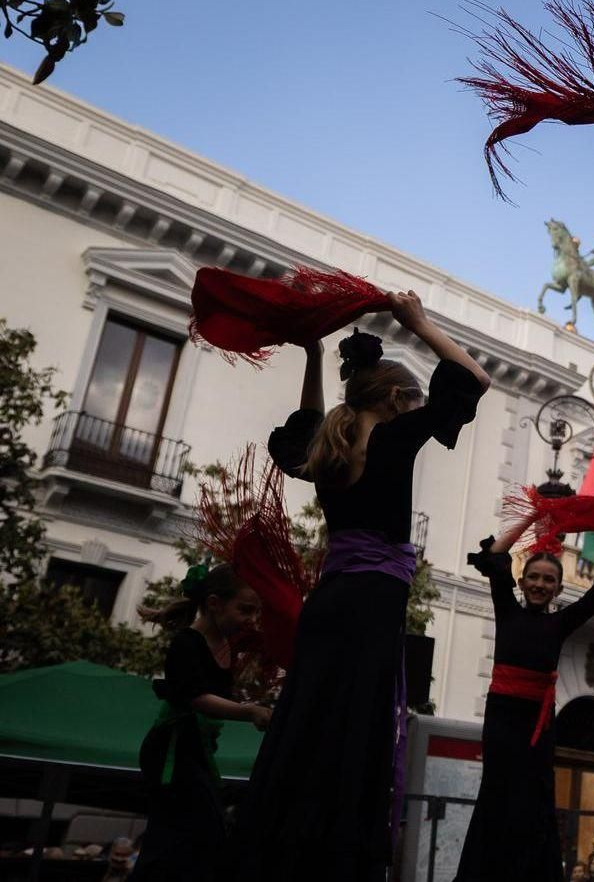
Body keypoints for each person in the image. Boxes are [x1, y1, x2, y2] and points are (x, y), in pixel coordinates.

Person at [237, 295, 490, 880]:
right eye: (415, 399)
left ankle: (277, 853)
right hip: (373, 603)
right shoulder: (396, 439)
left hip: (331, 603)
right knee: (355, 728)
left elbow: (308, 426)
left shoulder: (328, 450)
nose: (421, 408)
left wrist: (313, 354)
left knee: (309, 719)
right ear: (396, 400)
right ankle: (337, 858)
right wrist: (418, 323)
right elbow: (475, 378)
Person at [453, 515, 594, 882]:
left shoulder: (560, 623)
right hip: (502, 721)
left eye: (548, 580)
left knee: (535, 799)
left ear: (558, 589)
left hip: (538, 724)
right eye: (533, 577)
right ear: (521, 581)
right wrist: (531, 514)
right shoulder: (506, 608)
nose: (539, 584)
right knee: (497, 794)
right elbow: (495, 555)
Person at [129, 564, 269, 882]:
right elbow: (195, 697)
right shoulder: (187, 643)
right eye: (245, 610)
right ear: (215, 603)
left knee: (190, 837)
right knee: (195, 832)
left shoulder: (229, 644)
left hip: (197, 751)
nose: (251, 619)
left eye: (256, 612)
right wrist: (248, 711)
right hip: (172, 750)